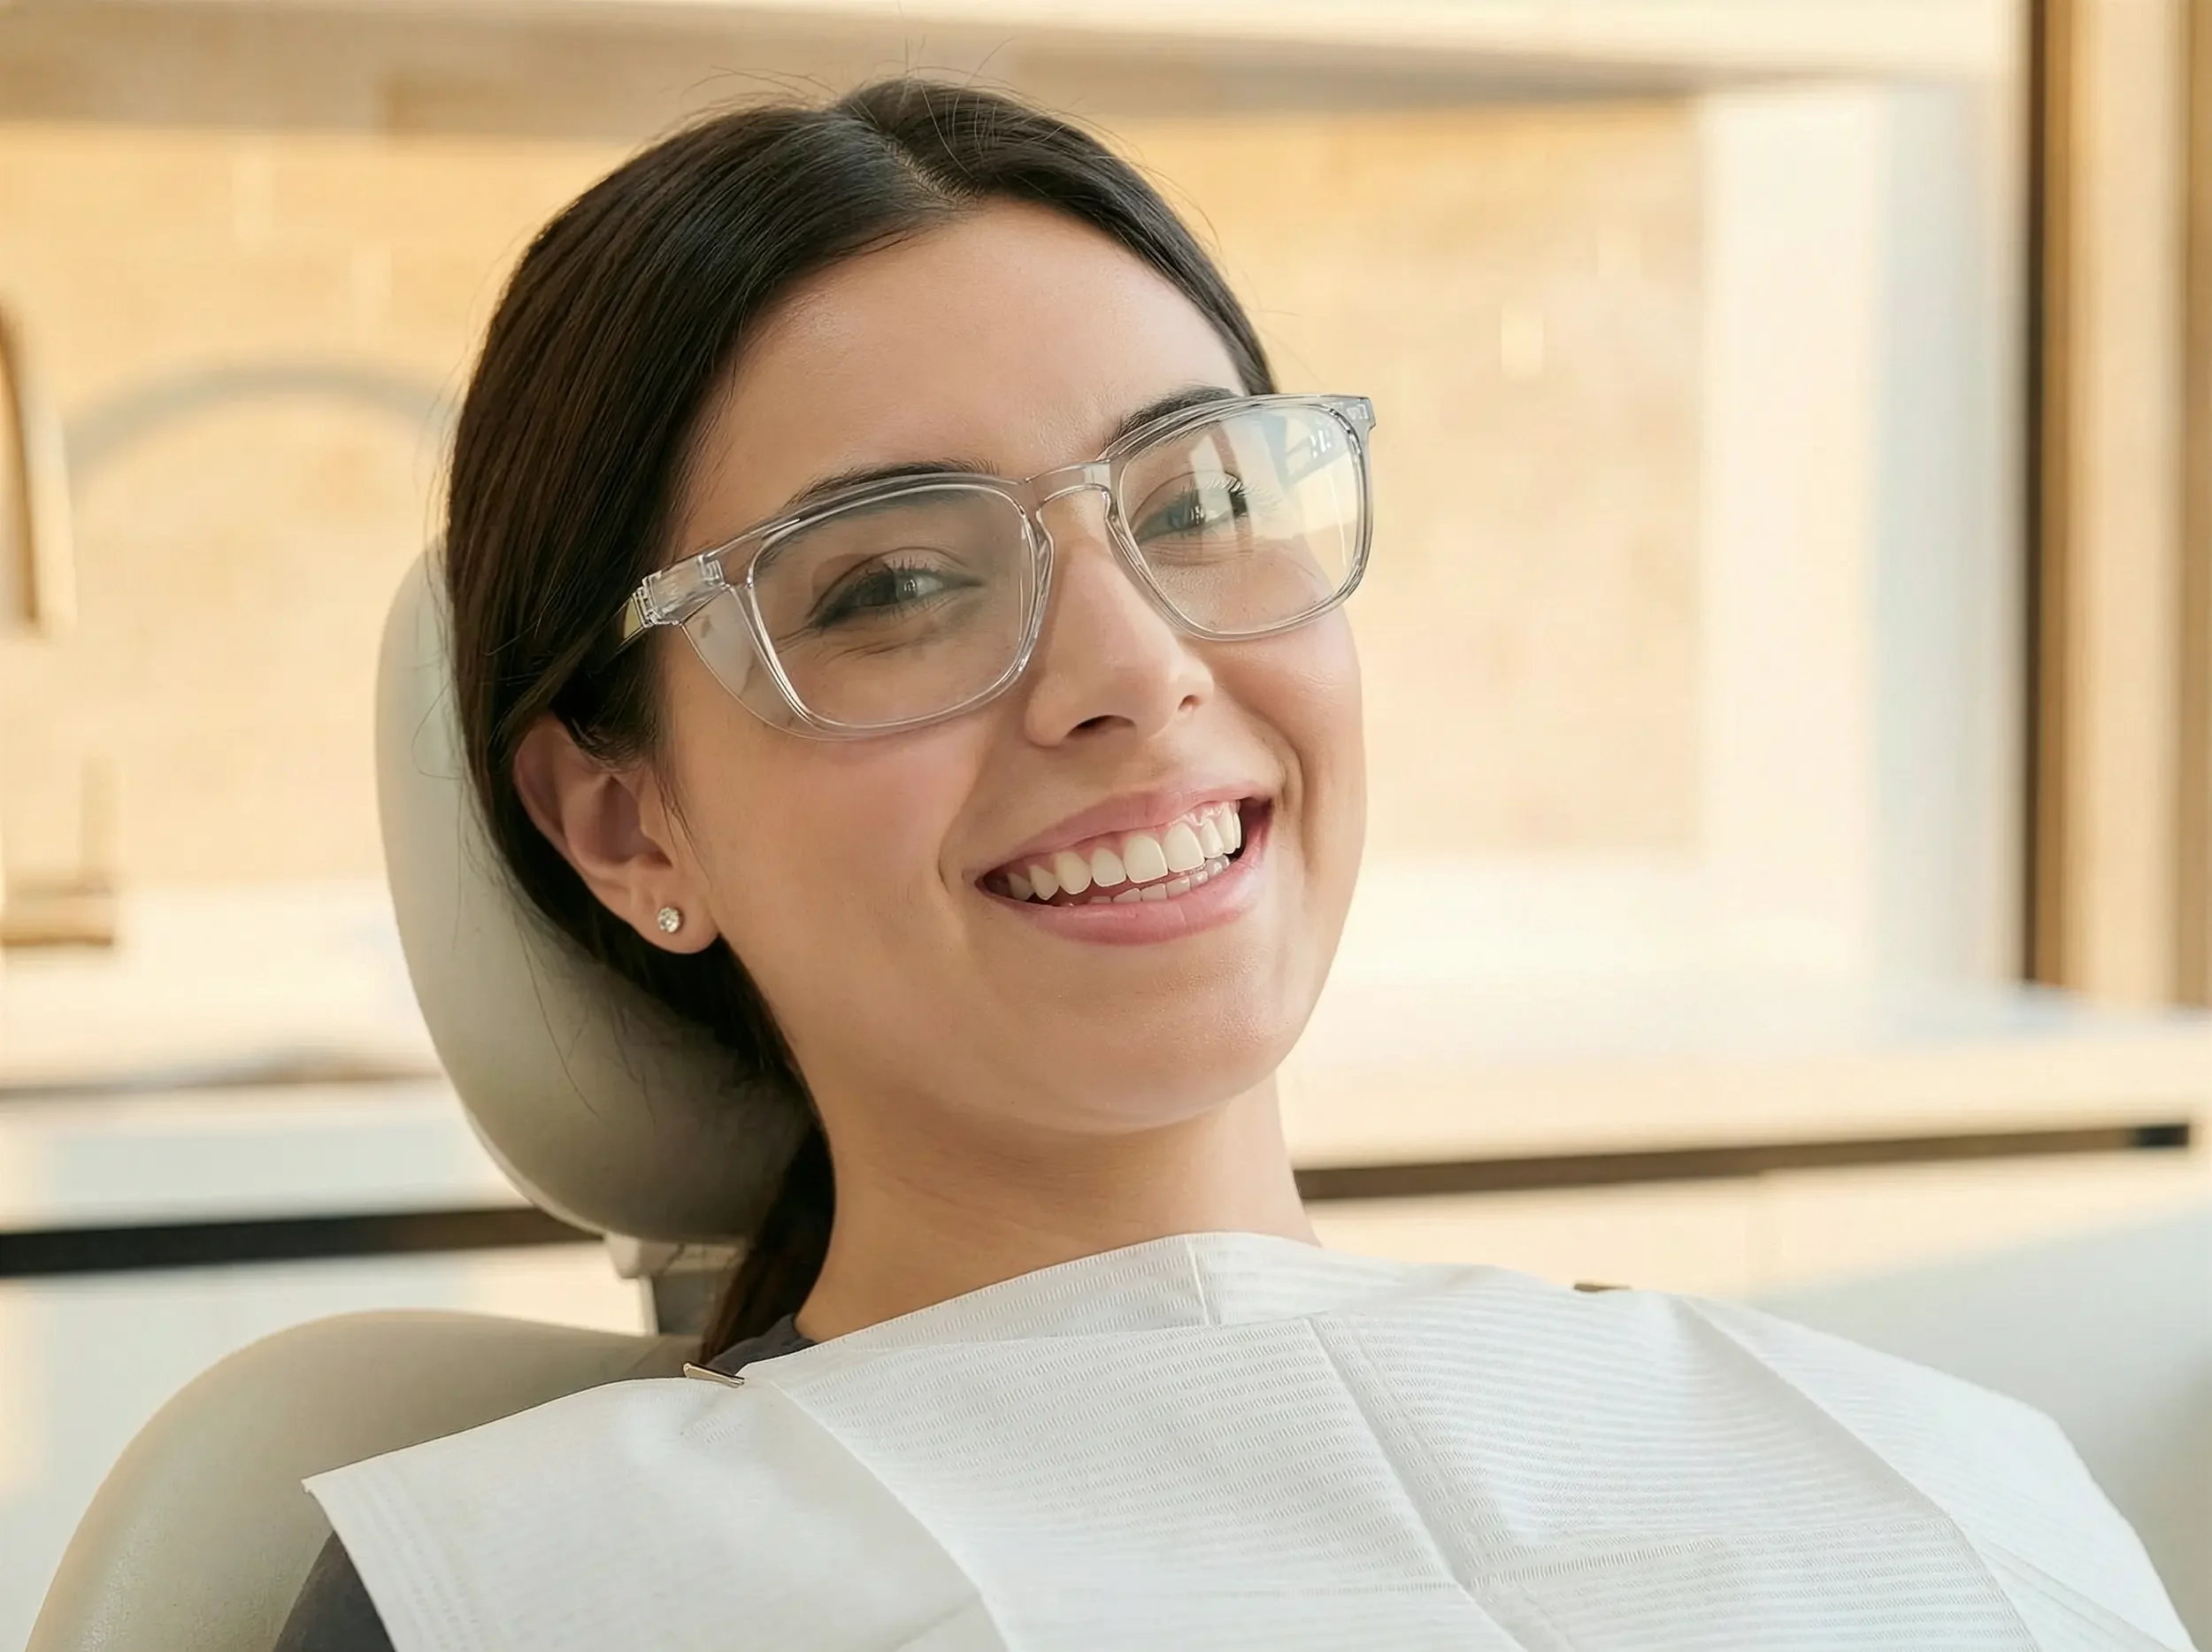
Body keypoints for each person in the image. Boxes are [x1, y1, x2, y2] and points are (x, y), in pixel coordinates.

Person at [278, 79, 2192, 1651]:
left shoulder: (1925, 1467)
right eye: (895, 586)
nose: (1135, 670)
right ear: (628, 823)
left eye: (1195, 502)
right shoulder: (516, 1594)